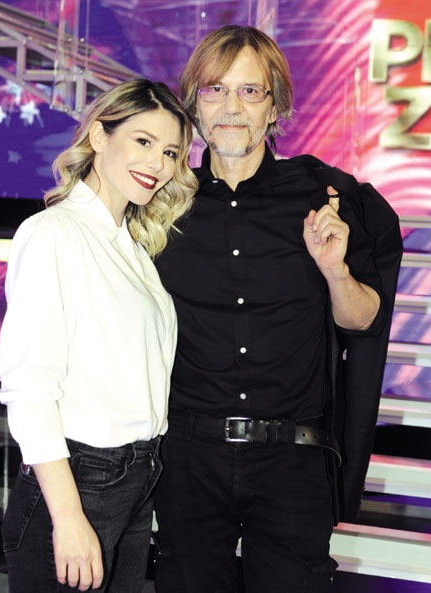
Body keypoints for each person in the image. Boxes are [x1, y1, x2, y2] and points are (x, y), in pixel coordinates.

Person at [153, 25, 403, 593]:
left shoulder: (325, 199)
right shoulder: (162, 204)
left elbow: (364, 320)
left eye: (250, 91)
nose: (231, 108)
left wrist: (335, 270)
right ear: (194, 104)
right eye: (215, 90)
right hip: (188, 459)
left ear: (276, 107)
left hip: (293, 461)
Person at [0, 78, 197, 593]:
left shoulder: (133, 247)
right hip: (78, 480)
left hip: (136, 476)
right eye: (143, 141)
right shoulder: (54, 233)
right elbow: (28, 386)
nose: (158, 164)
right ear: (100, 137)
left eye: (170, 152)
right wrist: (67, 516)